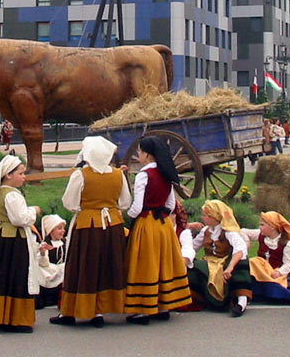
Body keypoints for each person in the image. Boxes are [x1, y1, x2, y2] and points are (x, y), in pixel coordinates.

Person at [54, 136, 130, 327]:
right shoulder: (117, 175)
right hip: (113, 226)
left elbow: (69, 203)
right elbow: (125, 203)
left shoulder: (81, 175)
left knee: (83, 266)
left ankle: (75, 311)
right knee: (106, 265)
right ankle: (99, 311)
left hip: (88, 226)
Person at [124, 136, 192, 323]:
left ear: (146, 154)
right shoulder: (165, 173)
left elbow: (137, 207)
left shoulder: (143, 175)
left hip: (146, 224)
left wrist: (128, 217)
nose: (138, 154)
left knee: (145, 264)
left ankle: (143, 310)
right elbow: (170, 204)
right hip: (163, 226)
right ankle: (163, 305)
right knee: (163, 262)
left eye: (140, 151)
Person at [0, 154, 40, 332]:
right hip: (14, 240)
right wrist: (34, 210)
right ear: (8, 175)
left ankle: (0, 315)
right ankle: (16, 318)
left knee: (1, 276)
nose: (24, 177)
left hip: (2, 238)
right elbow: (20, 218)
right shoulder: (12, 195)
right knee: (16, 275)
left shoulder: (1, 192)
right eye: (20, 173)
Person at [186, 200, 252, 316]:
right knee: (192, 266)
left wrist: (230, 267)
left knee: (241, 261)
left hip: (224, 263)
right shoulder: (205, 231)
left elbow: (240, 249)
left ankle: (242, 301)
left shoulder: (228, 232)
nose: (202, 217)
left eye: (205, 215)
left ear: (214, 218)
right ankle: (200, 298)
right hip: (209, 263)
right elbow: (193, 247)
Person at [240, 210, 290, 303]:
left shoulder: (286, 244)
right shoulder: (261, 235)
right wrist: (247, 241)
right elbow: (242, 231)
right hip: (262, 272)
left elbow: (288, 264)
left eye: (262, 225)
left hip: (275, 272)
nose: (260, 228)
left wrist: (279, 272)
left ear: (272, 227)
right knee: (254, 262)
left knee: (276, 287)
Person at [36, 214, 66, 310]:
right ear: (51, 231)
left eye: (63, 228)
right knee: (40, 271)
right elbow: (44, 263)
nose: (63, 231)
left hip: (61, 268)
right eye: (59, 228)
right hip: (49, 268)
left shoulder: (65, 242)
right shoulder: (45, 244)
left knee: (65, 268)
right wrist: (43, 254)